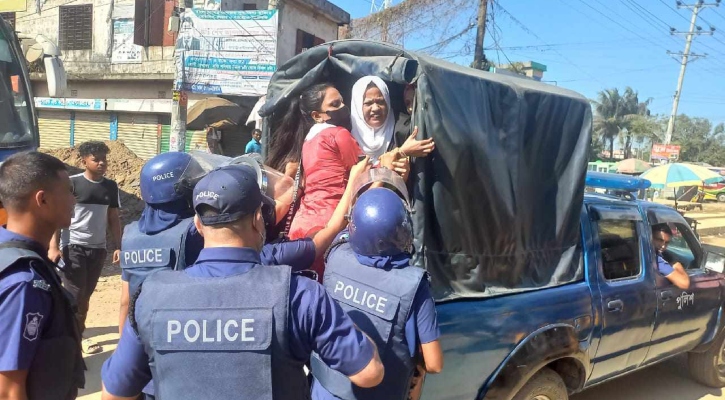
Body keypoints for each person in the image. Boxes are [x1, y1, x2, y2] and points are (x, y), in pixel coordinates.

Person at [101, 164, 384, 400]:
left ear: (198, 225)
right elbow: (369, 374)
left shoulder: (150, 298)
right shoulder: (298, 294)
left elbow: (114, 393)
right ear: (258, 219)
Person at [311, 175, 443, 400]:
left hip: (322, 390)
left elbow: (354, 226)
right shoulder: (413, 285)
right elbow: (434, 363)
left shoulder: (335, 255)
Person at [0, 152, 85, 399]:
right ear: (43, 199)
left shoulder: (14, 253)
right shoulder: (25, 282)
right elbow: (7, 390)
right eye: (69, 191)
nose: (74, 200)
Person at [49, 140, 122, 355]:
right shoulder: (72, 184)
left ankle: (76, 333)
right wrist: (54, 245)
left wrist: (118, 246)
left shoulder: (110, 186)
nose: (102, 163)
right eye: (96, 159)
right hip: (74, 246)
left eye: (104, 159)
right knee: (74, 293)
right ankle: (71, 339)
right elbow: (58, 215)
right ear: (84, 162)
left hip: (98, 250)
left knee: (86, 295)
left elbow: (113, 218)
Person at [349, 76, 435, 167]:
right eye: (368, 103)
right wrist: (401, 152)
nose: (375, 108)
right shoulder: (346, 136)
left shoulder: (405, 129)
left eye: (381, 102)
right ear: (357, 107)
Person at [651, 223, 690, 289]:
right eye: (659, 240)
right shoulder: (656, 260)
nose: (663, 246)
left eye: (666, 242)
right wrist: (676, 264)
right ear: (650, 237)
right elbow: (684, 283)